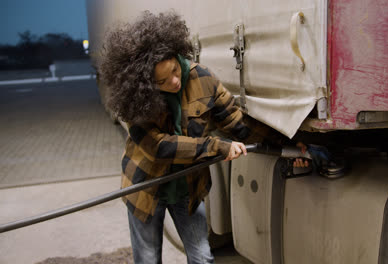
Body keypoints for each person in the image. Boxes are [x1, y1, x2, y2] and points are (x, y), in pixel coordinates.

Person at [100, 11, 307, 264]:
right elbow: (159, 147)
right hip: (145, 187)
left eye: (175, 70)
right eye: (162, 81)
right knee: (148, 259)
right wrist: (216, 147)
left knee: (202, 257)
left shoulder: (203, 80)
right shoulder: (136, 97)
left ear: (177, 54)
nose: (175, 82)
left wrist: (286, 144)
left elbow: (237, 123)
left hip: (188, 187)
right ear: (146, 83)